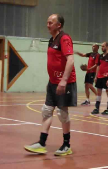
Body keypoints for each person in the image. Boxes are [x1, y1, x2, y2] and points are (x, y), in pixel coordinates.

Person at [24, 14, 77, 156]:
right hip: (53, 82)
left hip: (64, 83)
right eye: (47, 22)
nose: (47, 25)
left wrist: (64, 81)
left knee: (62, 113)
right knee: (47, 110)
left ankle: (66, 145)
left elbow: (70, 60)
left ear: (58, 25)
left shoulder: (64, 38)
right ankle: (41, 143)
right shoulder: (51, 40)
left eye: (50, 23)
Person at [91, 42, 108, 115]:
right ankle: (97, 108)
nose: (102, 48)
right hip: (99, 77)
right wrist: (96, 76)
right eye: (101, 46)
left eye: (103, 46)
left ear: (107, 47)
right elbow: (98, 66)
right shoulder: (100, 56)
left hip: (106, 77)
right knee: (98, 93)